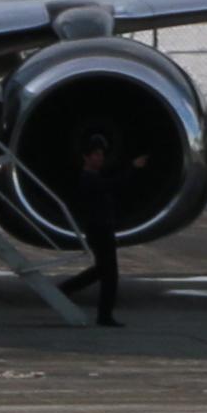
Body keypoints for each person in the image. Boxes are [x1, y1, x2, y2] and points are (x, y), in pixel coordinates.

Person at [58, 126, 130, 329]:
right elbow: (113, 185)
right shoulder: (88, 180)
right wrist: (132, 168)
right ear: (85, 157)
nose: (100, 158)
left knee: (101, 271)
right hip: (99, 230)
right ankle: (103, 315)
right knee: (109, 274)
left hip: (102, 228)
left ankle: (66, 289)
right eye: (96, 154)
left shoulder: (94, 178)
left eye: (101, 154)